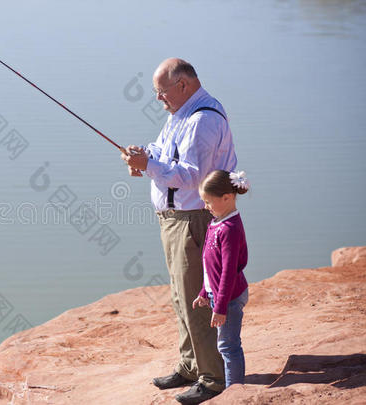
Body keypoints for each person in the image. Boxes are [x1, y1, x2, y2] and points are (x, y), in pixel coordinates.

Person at [121, 58, 237, 404]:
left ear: (183, 85)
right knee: (179, 297)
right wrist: (145, 156)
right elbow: (163, 151)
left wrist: (149, 167)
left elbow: (192, 176)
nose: (159, 99)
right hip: (173, 221)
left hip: (193, 220)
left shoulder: (202, 120)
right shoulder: (180, 114)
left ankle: (213, 378)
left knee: (196, 300)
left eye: (161, 92)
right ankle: (190, 365)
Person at [193, 170, 250, 389]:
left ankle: (234, 392)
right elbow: (211, 268)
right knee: (225, 344)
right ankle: (233, 388)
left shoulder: (230, 228)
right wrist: (204, 292)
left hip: (230, 297)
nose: (205, 206)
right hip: (220, 295)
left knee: (229, 346)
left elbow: (227, 271)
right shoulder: (216, 223)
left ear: (227, 197)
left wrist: (222, 307)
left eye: (208, 201)